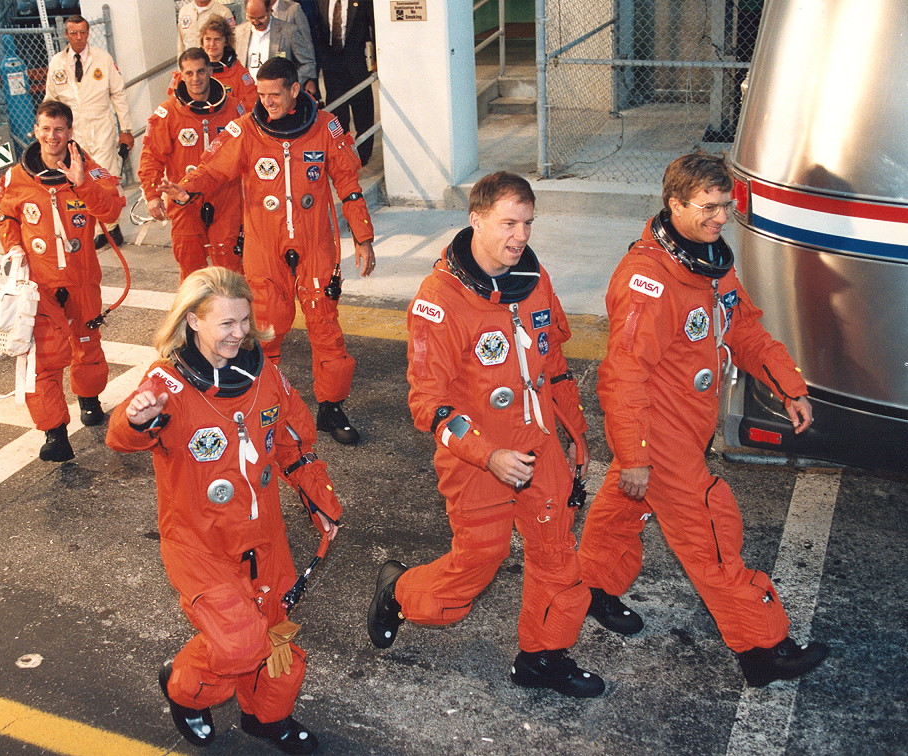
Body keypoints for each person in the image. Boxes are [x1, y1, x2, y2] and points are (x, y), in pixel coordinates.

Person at [577, 152, 828, 688]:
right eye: (708, 207)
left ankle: (591, 587)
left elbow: (745, 329)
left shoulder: (710, 262)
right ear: (675, 204)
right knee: (710, 528)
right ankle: (763, 648)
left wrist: (790, 386)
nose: (721, 217)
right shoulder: (647, 281)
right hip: (657, 431)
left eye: (726, 206)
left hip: (691, 426)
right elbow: (622, 376)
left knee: (624, 504)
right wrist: (637, 453)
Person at [366, 172, 603, 698]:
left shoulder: (535, 280)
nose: (520, 236)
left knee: (557, 553)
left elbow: (555, 365)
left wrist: (575, 436)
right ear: (476, 219)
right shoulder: (439, 299)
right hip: (477, 457)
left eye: (528, 223)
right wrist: (488, 453)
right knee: (476, 566)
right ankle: (399, 591)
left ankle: (542, 657)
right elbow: (427, 402)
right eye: (508, 223)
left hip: (539, 446)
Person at [105, 267, 342, 754]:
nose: (240, 333)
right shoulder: (166, 383)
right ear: (193, 321)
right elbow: (121, 438)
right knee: (240, 644)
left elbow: (293, 443)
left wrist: (318, 498)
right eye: (226, 323)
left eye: (244, 320)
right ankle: (184, 686)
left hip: (264, 540)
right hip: (200, 545)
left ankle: (266, 718)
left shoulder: (265, 375)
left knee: (277, 639)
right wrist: (136, 420)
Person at [159, 57, 375, 446]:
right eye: (261, 94)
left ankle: (331, 407)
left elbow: (348, 182)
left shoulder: (326, 126)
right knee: (265, 328)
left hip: (315, 246)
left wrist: (363, 237)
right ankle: (263, 401)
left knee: (325, 326)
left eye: (275, 94)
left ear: (295, 90)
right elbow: (212, 170)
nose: (267, 102)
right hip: (264, 248)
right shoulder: (245, 130)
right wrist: (187, 189)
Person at [0, 100, 125, 462]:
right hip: (40, 284)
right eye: (46, 129)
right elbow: (6, 216)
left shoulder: (90, 171)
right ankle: (55, 435)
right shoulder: (15, 178)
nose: (52, 137)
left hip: (82, 279)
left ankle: (89, 399)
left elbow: (112, 211)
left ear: (70, 133)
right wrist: (13, 248)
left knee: (86, 343)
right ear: (35, 131)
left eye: (59, 130)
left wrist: (82, 183)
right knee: (43, 357)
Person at [140, 48, 246, 282]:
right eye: (189, 73)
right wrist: (152, 195)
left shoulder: (234, 108)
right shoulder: (168, 113)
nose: (195, 78)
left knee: (229, 271)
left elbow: (249, 153)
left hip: (226, 199)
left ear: (210, 71)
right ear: (180, 75)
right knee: (191, 271)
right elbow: (151, 156)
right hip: (183, 201)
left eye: (200, 71)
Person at [44, 15, 134, 249]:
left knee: (105, 179)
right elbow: (50, 100)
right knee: (79, 182)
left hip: (101, 129)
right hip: (73, 135)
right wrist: (47, 132)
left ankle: (112, 228)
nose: (79, 37)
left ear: (88, 33)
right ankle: (96, 230)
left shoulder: (103, 59)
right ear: (66, 34)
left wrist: (126, 129)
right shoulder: (57, 63)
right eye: (73, 33)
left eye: (83, 32)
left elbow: (118, 95)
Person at [314, 0, 375, 165]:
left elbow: (374, 28)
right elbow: (318, 32)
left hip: (358, 66)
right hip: (332, 69)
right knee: (338, 114)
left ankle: (363, 156)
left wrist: (377, 60)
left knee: (363, 113)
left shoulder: (362, 2)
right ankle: (342, 155)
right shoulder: (320, 2)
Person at [235, 0, 317, 99]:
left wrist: (287, 84)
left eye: (261, 18)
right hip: (246, 96)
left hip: (278, 97)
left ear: (270, 9)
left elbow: (308, 64)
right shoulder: (238, 33)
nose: (256, 22)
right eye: (251, 18)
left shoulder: (288, 32)